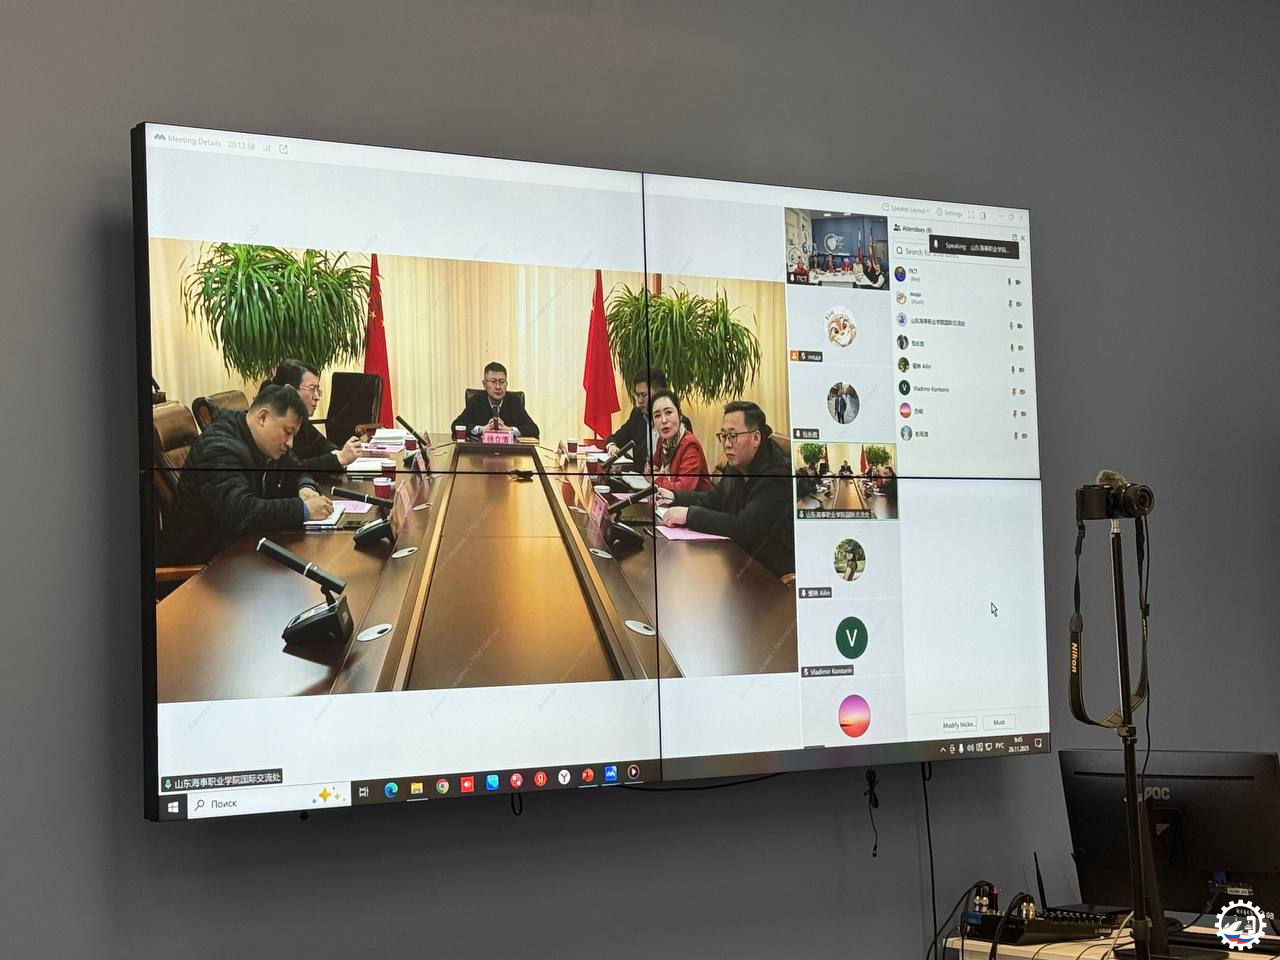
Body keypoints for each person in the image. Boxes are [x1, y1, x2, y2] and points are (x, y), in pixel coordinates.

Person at [158, 385, 333, 565]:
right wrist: (302, 510)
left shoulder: (262, 440)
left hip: (241, 555)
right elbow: (241, 512)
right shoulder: (218, 447)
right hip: (201, 567)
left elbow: (296, 469)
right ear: (263, 417)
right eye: (288, 432)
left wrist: (305, 487)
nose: (290, 443)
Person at [656, 400, 795, 578]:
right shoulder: (737, 465)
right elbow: (714, 499)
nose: (727, 444)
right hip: (737, 561)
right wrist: (675, 497)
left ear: (756, 438)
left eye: (733, 435)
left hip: (770, 577)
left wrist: (689, 515)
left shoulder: (777, 476)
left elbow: (744, 528)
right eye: (723, 436)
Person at [262, 359, 363, 472]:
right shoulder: (273, 421)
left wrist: (340, 453)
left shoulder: (300, 418)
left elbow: (323, 446)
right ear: (290, 390)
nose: (317, 397)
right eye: (312, 389)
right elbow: (291, 470)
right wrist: (338, 459)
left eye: (317, 390)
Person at [451, 361, 540, 439]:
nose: (498, 387)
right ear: (484, 384)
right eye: (493, 382)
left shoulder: (514, 401)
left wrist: (510, 430)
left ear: (506, 384)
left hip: (508, 451)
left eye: (502, 382)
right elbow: (456, 425)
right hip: (481, 450)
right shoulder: (476, 400)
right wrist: (480, 429)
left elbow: (534, 430)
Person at [646, 389, 711, 492]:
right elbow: (651, 464)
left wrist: (657, 479)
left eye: (668, 412)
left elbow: (683, 490)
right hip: (668, 499)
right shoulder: (662, 441)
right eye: (657, 415)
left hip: (693, 501)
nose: (663, 420)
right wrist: (652, 468)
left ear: (680, 415)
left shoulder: (690, 445)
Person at [606, 367, 666, 462]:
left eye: (644, 395)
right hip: (639, 471)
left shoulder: (677, 422)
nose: (640, 400)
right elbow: (615, 438)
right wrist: (612, 446)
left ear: (660, 393)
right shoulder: (637, 416)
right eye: (637, 395)